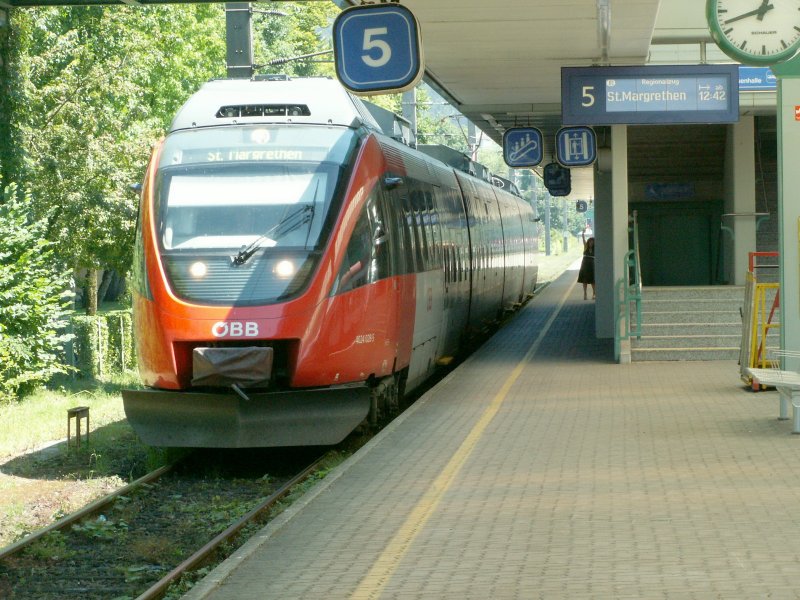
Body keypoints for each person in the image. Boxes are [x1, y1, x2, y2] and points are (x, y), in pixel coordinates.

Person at [578, 227, 595, 300]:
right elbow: (583, 239)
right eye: (590, 242)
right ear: (588, 242)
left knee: (593, 280)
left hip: (592, 264)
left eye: (592, 242)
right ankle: (585, 293)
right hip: (585, 264)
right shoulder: (585, 247)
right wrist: (583, 233)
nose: (591, 243)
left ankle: (594, 293)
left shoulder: (596, 249)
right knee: (584, 280)